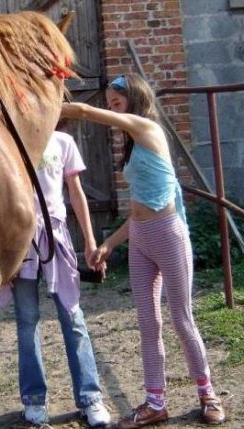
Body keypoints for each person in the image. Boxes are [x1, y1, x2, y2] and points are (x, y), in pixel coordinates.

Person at [61, 73, 226, 428]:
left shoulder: (146, 128)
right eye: (108, 96)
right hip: (141, 238)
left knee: (182, 319)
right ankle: (155, 403)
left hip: (168, 233)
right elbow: (137, 210)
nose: (111, 100)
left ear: (134, 94)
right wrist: (107, 244)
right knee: (148, 324)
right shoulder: (132, 143)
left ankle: (207, 393)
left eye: (117, 94)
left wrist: (48, 107)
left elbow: (86, 113)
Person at [11, 126, 111, 427]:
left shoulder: (63, 141)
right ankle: (33, 397)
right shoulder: (13, 137)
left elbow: (76, 192)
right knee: (27, 322)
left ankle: (91, 397)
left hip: (57, 236)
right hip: (22, 239)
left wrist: (91, 241)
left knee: (73, 315)